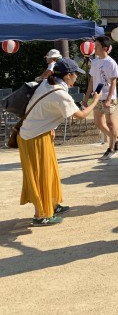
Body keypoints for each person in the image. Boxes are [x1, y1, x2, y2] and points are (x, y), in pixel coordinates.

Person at [18, 59, 100, 226]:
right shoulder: (59, 93)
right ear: (68, 75)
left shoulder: (48, 84)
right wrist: (96, 101)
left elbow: (43, 109)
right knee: (41, 175)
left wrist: (51, 126)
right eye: (75, 74)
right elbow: (81, 115)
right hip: (35, 137)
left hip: (37, 133)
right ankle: (41, 215)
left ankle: (52, 204)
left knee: (50, 171)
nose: (77, 77)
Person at [83, 35, 118, 160]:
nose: (95, 47)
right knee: (98, 123)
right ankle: (116, 138)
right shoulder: (94, 62)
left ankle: (111, 148)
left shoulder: (111, 63)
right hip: (98, 95)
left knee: (110, 123)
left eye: (98, 46)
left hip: (108, 97)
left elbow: (113, 82)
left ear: (105, 48)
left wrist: (109, 99)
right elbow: (93, 80)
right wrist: (86, 97)